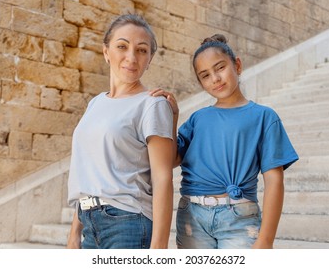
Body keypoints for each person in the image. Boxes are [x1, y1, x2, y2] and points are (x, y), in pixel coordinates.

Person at [151, 34, 299, 249]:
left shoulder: (264, 117)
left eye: (220, 68)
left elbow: (275, 181)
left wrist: (266, 240)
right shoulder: (197, 118)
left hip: (239, 218)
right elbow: (171, 159)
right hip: (192, 217)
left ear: (237, 65)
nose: (215, 78)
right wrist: (173, 117)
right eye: (205, 75)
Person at [66, 14, 174, 249]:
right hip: (88, 220)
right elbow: (88, 170)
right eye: (122, 46)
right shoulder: (95, 103)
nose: (131, 57)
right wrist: (75, 231)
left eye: (142, 50)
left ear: (150, 59)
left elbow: (163, 178)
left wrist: (159, 248)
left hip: (128, 222)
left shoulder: (152, 103)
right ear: (106, 52)